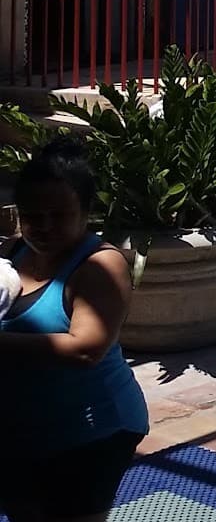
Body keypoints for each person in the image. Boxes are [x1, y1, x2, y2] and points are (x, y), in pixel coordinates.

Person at [0, 139, 149, 522]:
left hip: (91, 433)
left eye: (59, 215)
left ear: (86, 212)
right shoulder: (15, 254)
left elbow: (87, 349)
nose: (44, 227)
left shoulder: (101, 266)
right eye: (33, 215)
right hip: (23, 431)